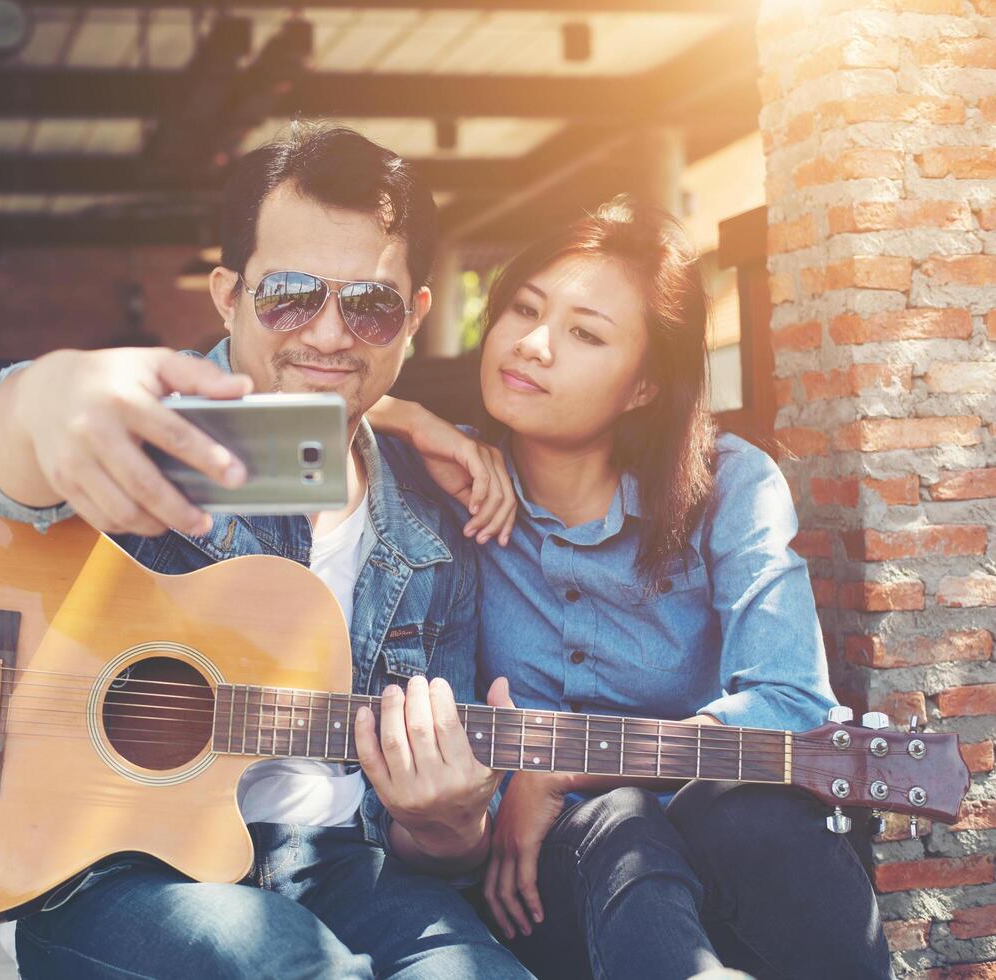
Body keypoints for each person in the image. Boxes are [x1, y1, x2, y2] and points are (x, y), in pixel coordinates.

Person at [0, 124, 532, 979]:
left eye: (368, 304)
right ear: (226, 294)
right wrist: (42, 393)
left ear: (414, 319)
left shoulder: (440, 517)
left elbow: (435, 849)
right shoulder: (152, 426)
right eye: (288, 295)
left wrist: (447, 826)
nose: (328, 334)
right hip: (115, 871)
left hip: (348, 868)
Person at [369, 196, 893, 979]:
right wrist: (395, 412)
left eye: (584, 333)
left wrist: (566, 766)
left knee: (758, 812)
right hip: (548, 882)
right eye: (523, 308)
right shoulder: (441, 480)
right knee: (620, 825)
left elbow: (791, 706)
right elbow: (245, 408)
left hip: (723, 855)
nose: (532, 345)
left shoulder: (728, 485)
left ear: (644, 384)